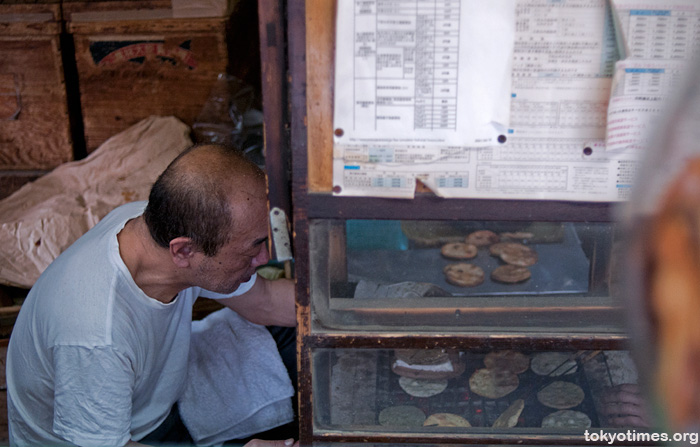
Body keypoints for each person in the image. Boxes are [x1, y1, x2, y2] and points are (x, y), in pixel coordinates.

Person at [5, 144, 298, 447]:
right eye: (253, 246)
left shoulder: (152, 225)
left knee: (296, 343)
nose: (264, 258)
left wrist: (345, 312)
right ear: (184, 251)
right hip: (119, 438)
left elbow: (266, 302)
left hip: (155, 398)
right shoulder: (96, 332)